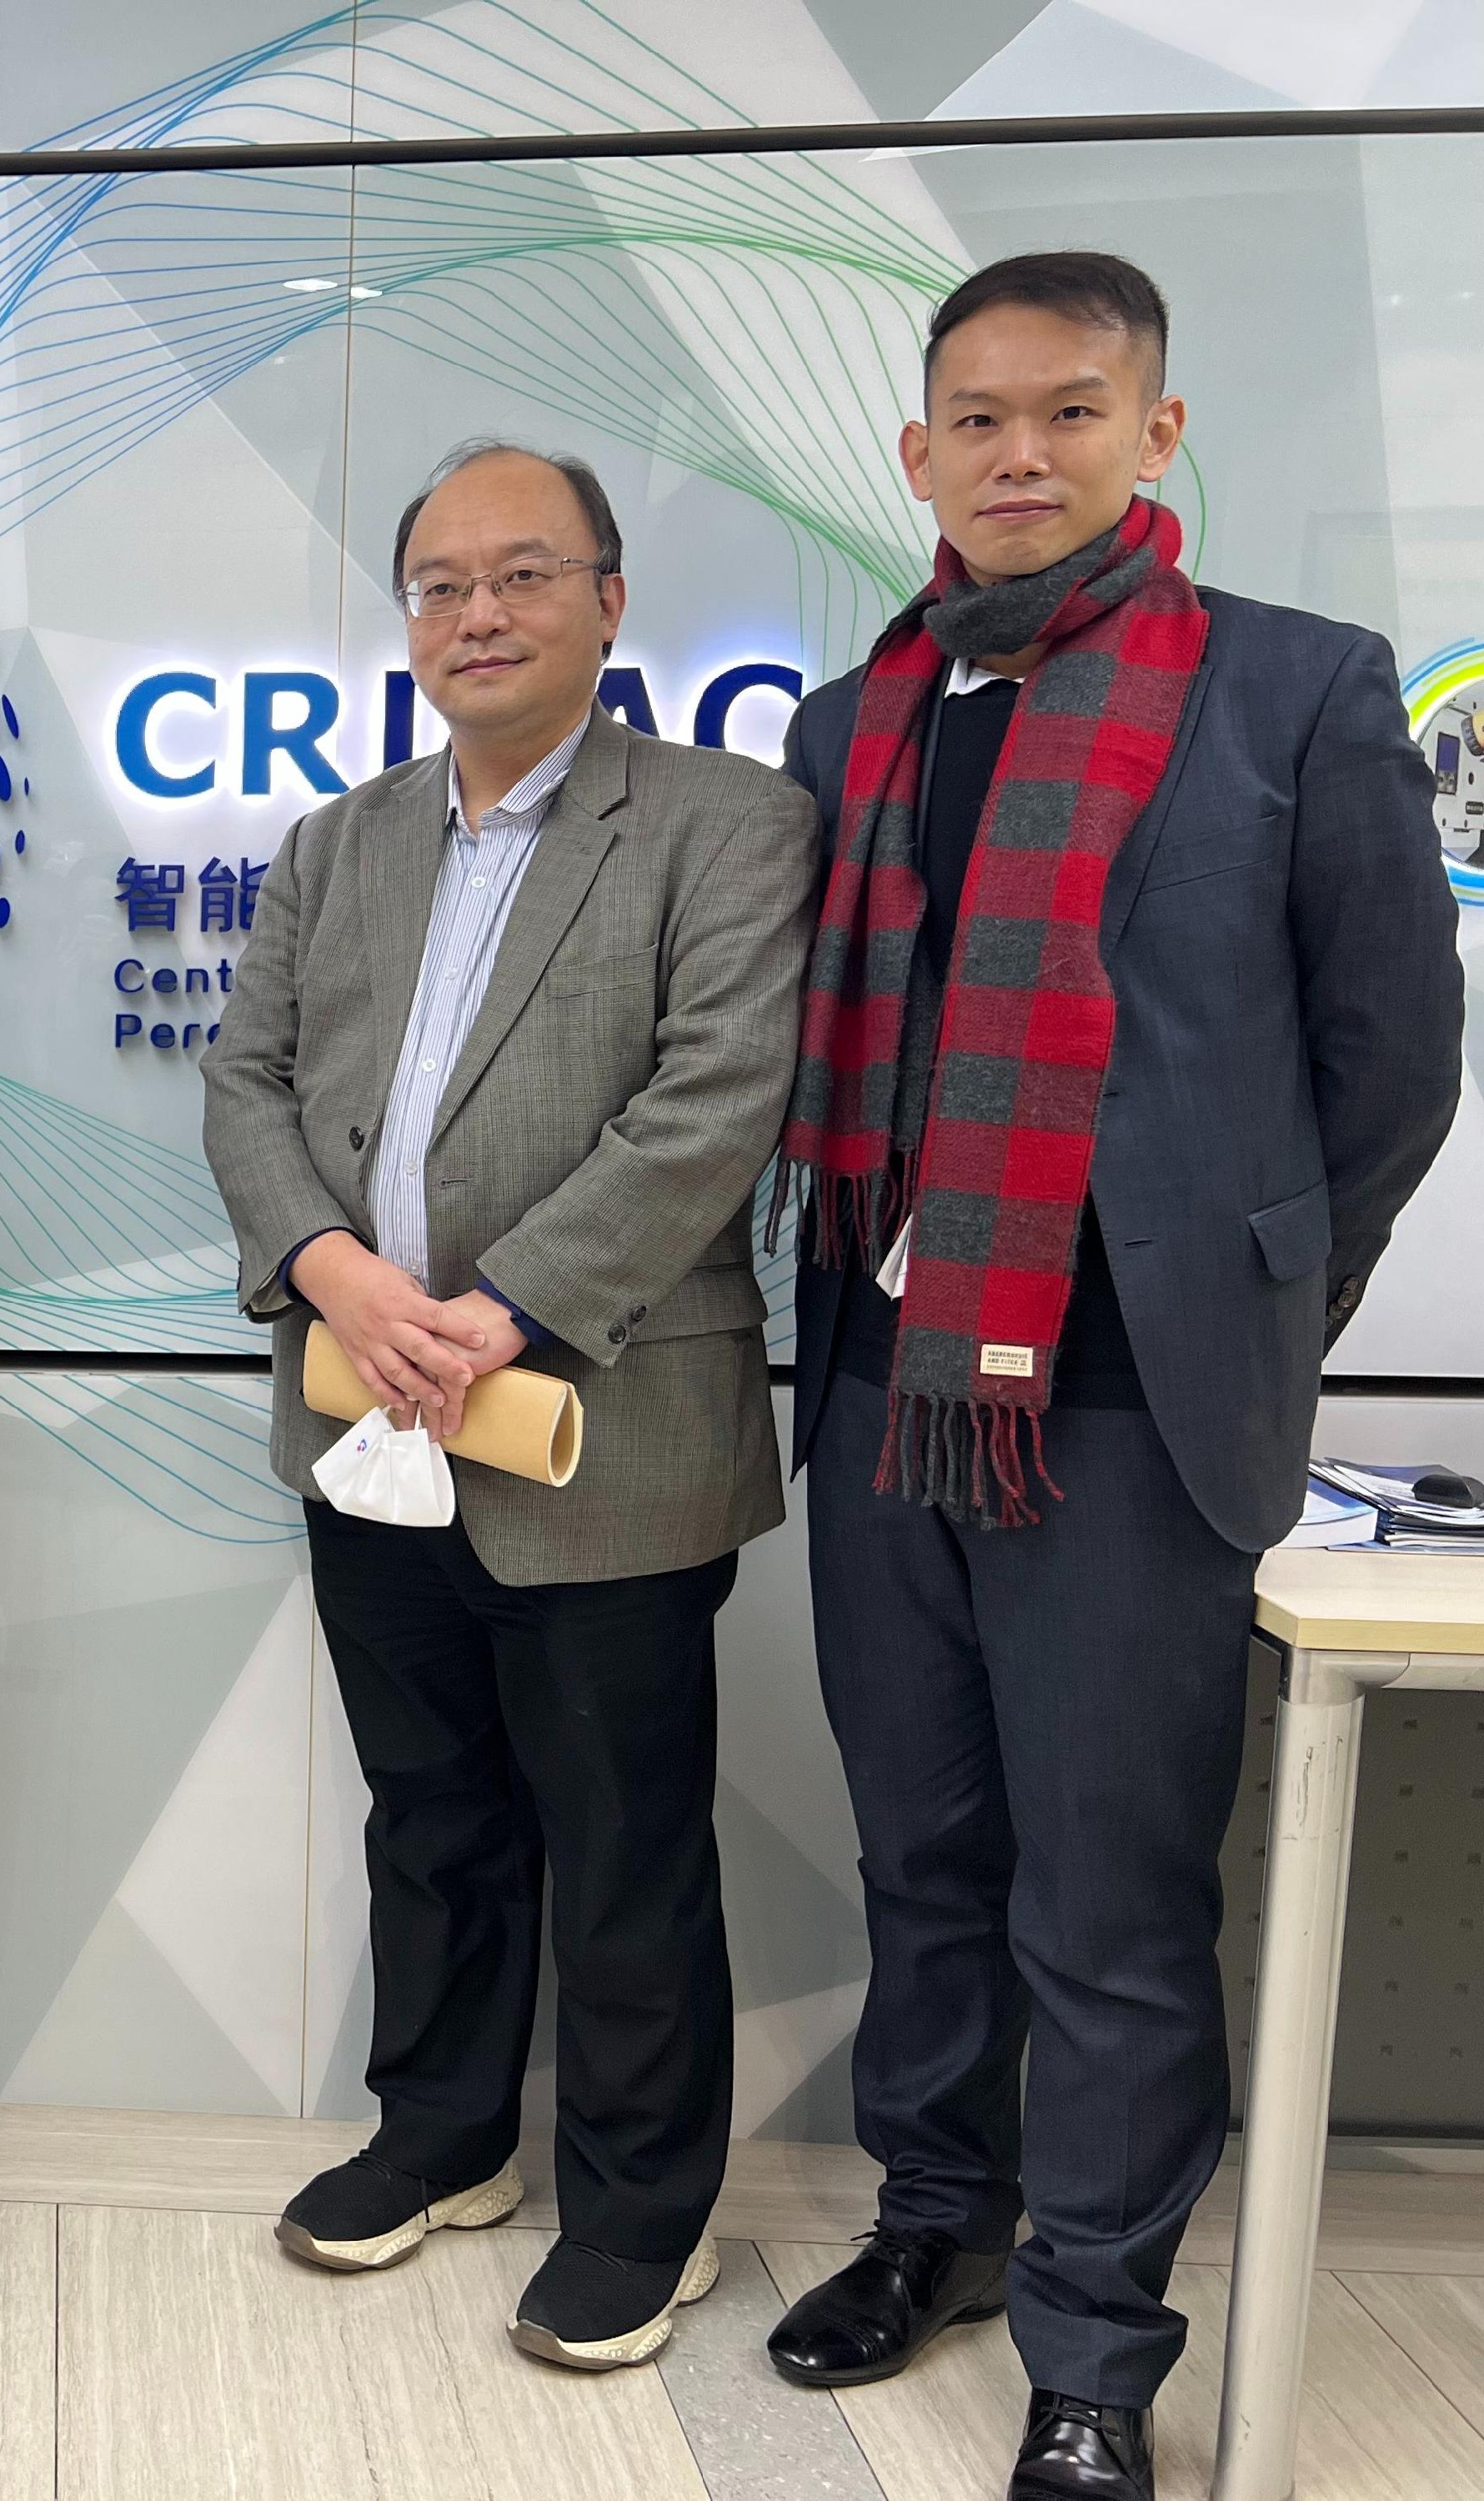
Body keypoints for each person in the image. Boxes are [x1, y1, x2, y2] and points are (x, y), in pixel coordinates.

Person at [765, 252, 1461, 2501]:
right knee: (926, 1855)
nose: (1021, 458)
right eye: (977, 420)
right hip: (884, 1375)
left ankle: (1093, 2336)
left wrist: (1242, 1298)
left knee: (1116, 1896)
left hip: (1128, 1410)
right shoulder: (857, 716)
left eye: (1070, 414)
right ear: (917, 456)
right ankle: (934, 2230)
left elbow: (1390, 1066)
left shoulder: (1290, 690)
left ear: (1156, 436)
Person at [203, 441, 816, 2371]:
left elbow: (715, 1099)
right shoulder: (339, 839)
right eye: (440, 583)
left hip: (598, 1423)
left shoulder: (725, 824)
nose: (476, 613)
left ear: (607, 603)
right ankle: (445, 2135)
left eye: (522, 575)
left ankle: (647, 2211)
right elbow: (245, 1084)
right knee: (429, 1813)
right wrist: (334, 1274)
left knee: (621, 1831)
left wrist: (500, 1308)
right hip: (361, 1411)